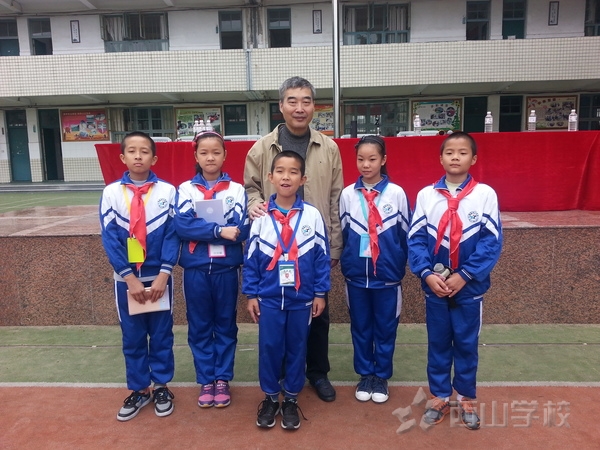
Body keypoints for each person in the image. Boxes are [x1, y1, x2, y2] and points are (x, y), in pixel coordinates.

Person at [244, 76, 343, 402]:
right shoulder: (261, 148)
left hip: (312, 244)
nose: (299, 108)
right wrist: (254, 203)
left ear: (314, 106)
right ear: (281, 106)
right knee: (277, 324)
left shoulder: (329, 147)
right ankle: (280, 380)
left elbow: (336, 197)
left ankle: (317, 373)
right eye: (292, 101)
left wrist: (334, 244)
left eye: (306, 101)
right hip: (276, 244)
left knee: (317, 314)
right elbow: (250, 187)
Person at [407, 131, 503, 430]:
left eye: (463, 152)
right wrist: (426, 273)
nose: (455, 157)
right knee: (437, 344)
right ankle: (439, 397)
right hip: (435, 287)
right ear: (441, 158)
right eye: (449, 152)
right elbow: (416, 240)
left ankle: (465, 397)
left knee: (466, 344)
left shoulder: (485, 194)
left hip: (469, 288)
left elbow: (491, 242)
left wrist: (465, 275)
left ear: (473, 159)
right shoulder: (426, 195)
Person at [243, 151, 331, 430]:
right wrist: (251, 294)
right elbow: (251, 259)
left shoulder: (312, 216)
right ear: (270, 177)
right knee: (269, 348)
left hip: (301, 299)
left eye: (293, 172)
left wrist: (320, 293)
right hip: (268, 298)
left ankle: (291, 398)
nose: (286, 177)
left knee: (297, 348)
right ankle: (270, 397)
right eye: (280, 171)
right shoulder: (260, 216)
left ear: (303, 179)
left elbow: (321, 258)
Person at [99, 131, 180, 421]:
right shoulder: (111, 193)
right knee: (132, 337)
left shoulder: (168, 192)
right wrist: (129, 278)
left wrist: (164, 274)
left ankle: (161, 387)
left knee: (161, 334)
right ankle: (139, 389)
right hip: (127, 281)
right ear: (122, 157)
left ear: (154, 158)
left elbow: (173, 235)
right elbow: (109, 238)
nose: (138, 156)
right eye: (132, 151)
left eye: (144, 151)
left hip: (159, 277)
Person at [174, 131, 249, 408]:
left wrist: (204, 229)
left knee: (226, 324)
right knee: (199, 325)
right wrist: (218, 230)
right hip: (195, 269)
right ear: (196, 156)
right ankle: (206, 378)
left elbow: (241, 229)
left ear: (224, 155)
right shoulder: (185, 189)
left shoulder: (236, 190)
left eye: (216, 152)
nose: (210, 158)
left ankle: (223, 378)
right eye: (204, 153)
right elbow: (182, 226)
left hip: (226, 269)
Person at [339, 135, 411, 404]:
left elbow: (405, 235)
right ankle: (365, 374)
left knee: (385, 329)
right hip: (356, 277)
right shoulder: (348, 194)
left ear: (383, 160)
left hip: (387, 279)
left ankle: (381, 376)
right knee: (360, 328)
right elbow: (344, 233)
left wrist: (396, 263)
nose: (366, 164)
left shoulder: (397, 193)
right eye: (361, 159)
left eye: (372, 159)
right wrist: (349, 263)